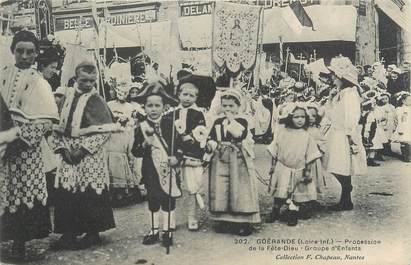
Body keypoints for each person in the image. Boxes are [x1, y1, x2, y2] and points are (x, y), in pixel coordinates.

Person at [0, 30, 59, 261]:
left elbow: (45, 121)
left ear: (36, 54)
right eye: (20, 51)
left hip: (26, 149)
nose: (25, 56)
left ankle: (19, 243)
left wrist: (21, 139)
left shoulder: (40, 82)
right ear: (12, 51)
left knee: (22, 195)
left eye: (30, 52)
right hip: (3, 147)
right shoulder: (2, 76)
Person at [51, 62, 118, 250]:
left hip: (89, 153)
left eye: (91, 81)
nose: (88, 84)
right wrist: (63, 149)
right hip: (67, 150)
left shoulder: (97, 100)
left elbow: (104, 131)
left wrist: (83, 150)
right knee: (67, 192)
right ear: (76, 78)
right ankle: (69, 233)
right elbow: (57, 127)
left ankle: (92, 232)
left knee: (89, 193)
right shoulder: (65, 97)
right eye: (83, 80)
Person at [131, 81, 181, 248]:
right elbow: (135, 151)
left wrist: (177, 158)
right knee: (153, 200)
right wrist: (144, 145)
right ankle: (154, 230)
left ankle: (167, 231)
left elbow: (179, 145)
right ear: (144, 107)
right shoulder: (141, 128)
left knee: (168, 199)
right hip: (150, 169)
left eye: (157, 105)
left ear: (164, 107)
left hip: (168, 168)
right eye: (149, 105)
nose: (153, 109)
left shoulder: (170, 124)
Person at [205, 89, 260, 236]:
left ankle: (242, 220)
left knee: (238, 186)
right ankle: (224, 219)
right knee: (221, 186)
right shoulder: (217, 120)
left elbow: (240, 134)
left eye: (231, 106)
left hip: (237, 157)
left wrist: (231, 121)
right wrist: (210, 144)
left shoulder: (242, 120)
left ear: (238, 106)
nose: (228, 109)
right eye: (225, 106)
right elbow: (211, 136)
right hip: (220, 157)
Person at [267, 103, 322, 226]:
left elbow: (311, 154)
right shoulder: (282, 133)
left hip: (299, 168)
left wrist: (307, 171)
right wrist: (272, 165)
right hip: (282, 167)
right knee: (280, 192)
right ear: (289, 117)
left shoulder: (306, 136)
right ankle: (275, 210)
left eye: (302, 117)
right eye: (296, 117)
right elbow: (274, 150)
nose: (300, 120)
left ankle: (292, 212)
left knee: (296, 194)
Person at [323, 56, 367, 211]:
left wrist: (350, 136)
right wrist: (330, 100)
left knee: (341, 166)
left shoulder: (350, 94)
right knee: (335, 166)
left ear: (342, 77)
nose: (332, 78)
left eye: (335, 75)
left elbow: (352, 116)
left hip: (344, 134)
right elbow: (330, 114)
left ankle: (346, 194)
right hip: (336, 132)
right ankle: (346, 193)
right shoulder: (341, 93)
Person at [171, 76, 209, 231]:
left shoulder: (198, 114)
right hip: (174, 154)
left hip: (191, 154)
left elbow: (202, 133)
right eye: (184, 94)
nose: (187, 98)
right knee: (173, 186)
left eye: (191, 95)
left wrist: (192, 138)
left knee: (192, 186)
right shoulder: (172, 113)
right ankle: (170, 219)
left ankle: (191, 217)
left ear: (196, 97)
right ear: (179, 95)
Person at [106, 81, 140, 203]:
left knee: (121, 157)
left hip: (123, 136)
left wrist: (126, 121)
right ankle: (111, 190)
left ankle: (122, 191)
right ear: (115, 92)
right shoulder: (108, 104)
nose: (122, 95)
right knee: (110, 157)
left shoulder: (130, 107)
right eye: (120, 92)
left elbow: (133, 123)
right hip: (111, 136)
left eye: (125, 93)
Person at [393, 92, 411, 162]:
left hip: (409, 126)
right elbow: (401, 120)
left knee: (409, 141)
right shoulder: (401, 109)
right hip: (404, 127)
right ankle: (406, 156)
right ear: (403, 101)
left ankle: (408, 155)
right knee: (405, 141)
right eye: (409, 100)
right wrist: (400, 129)